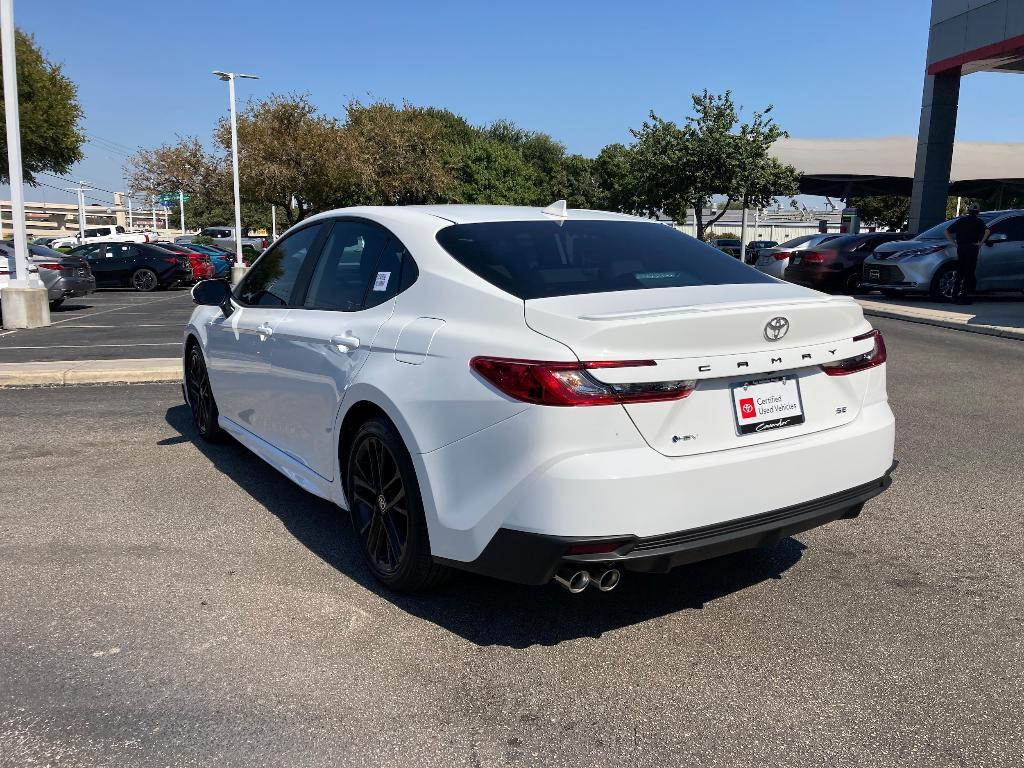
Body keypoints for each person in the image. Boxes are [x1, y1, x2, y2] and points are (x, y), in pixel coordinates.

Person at [944, 203, 990, 304]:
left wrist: (954, 243)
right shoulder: (979, 222)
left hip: (961, 247)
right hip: (972, 247)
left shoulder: (961, 221)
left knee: (960, 271)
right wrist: (980, 243)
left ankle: (954, 296)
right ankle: (964, 297)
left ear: (969, 211)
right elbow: (987, 231)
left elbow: (946, 231)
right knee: (969, 272)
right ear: (977, 212)